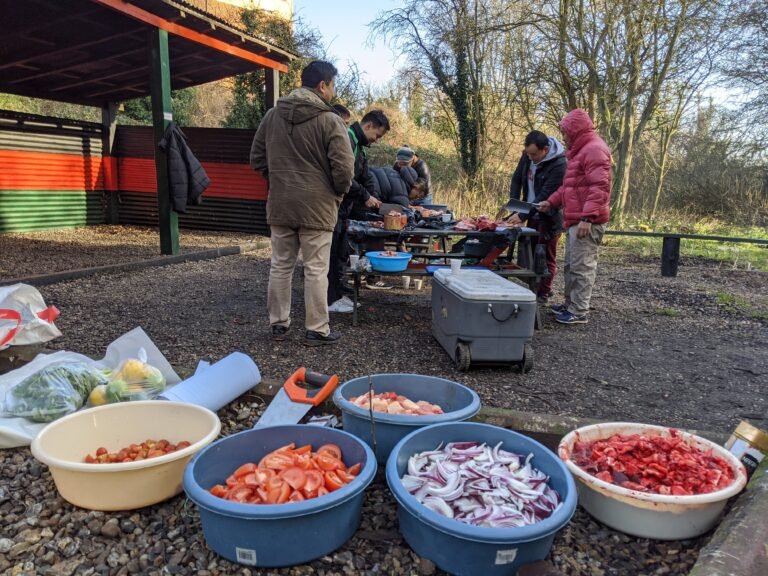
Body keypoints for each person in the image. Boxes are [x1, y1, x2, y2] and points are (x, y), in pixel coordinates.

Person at [250, 60, 354, 346]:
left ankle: (278, 325)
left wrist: (279, 181)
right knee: (316, 269)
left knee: (280, 265)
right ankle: (317, 329)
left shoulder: (272, 116)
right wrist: (336, 194)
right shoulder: (330, 120)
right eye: (332, 86)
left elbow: (256, 159)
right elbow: (344, 169)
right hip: (318, 207)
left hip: (281, 204)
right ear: (323, 86)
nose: (333, 93)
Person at [537, 108, 611, 325]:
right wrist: (550, 202)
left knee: (582, 266)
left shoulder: (594, 150)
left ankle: (579, 310)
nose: (564, 136)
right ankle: (571, 304)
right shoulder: (580, 151)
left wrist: (588, 218)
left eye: (566, 131)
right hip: (574, 219)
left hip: (586, 221)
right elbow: (569, 187)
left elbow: (600, 187)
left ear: (575, 130)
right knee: (571, 264)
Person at [327, 109, 390, 312]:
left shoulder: (361, 147)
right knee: (331, 252)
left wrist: (375, 197)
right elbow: (345, 176)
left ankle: (339, 292)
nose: (377, 140)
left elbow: (365, 175)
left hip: (346, 209)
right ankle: (329, 300)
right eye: (377, 135)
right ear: (368, 126)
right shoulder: (349, 139)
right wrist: (365, 196)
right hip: (333, 206)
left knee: (340, 253)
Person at [508, 130, 566, 303]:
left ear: (545, 149)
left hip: (550, 215)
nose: (530, 157)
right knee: (531, 252)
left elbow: (546, 194)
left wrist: (524, 213)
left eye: (534, 154)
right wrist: (514, 205)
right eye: (528, 153)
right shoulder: (527, 156)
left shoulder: (559, 165)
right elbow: (517, 178)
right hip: (531, 210)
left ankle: (543, 293)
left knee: (546, 254)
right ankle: (534, 286)